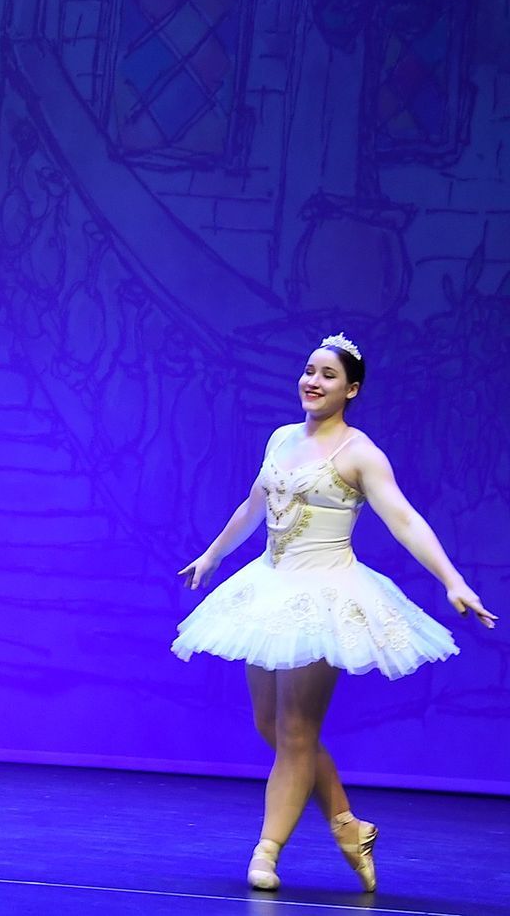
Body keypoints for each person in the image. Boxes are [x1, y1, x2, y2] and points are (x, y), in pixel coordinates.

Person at [173, 334, 495, 893]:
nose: (313, 381)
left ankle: (266, 851)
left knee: (297, 730)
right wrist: (212, 555)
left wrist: (453, 580)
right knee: (270, 726)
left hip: (325, 595)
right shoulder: (280, 438)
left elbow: (406, 520)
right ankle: (348, 826)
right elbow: (254, 505)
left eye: (327, 375)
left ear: (351, 389)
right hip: (268, 589)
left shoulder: (360, 453)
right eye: (309, 370)